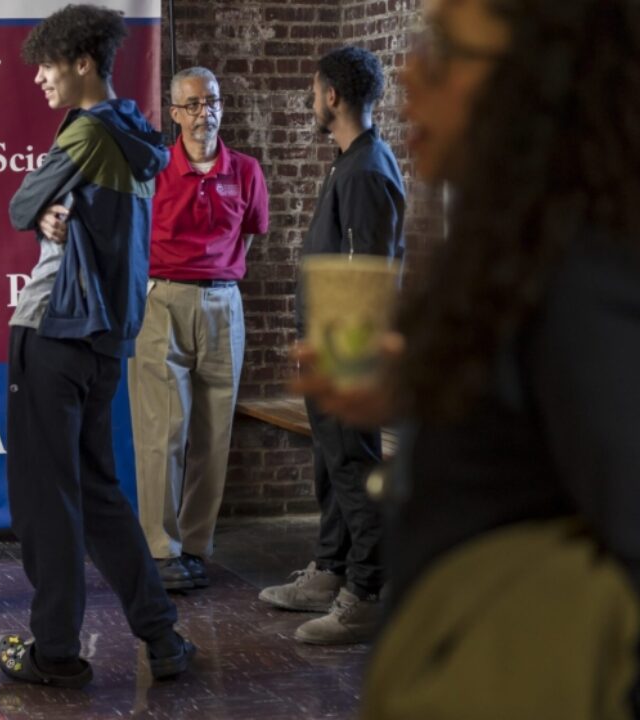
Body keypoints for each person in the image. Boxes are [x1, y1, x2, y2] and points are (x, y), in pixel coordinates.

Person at [295, 0, 640, 716]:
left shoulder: (580, 278)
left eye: (448, 53)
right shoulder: (518, 246)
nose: (414, 74)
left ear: (540, 84)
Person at [0, 3, 194, 689]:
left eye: (49, 65)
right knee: (98, 490)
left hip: (52, 331)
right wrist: (59, 216)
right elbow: (68, 218)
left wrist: (43, 213)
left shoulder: (85, 134)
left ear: (82, 62)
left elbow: (21, 206)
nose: (40, 80)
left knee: (47, 502)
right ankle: (161, 635)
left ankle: (54, 650)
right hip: (107, 338)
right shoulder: (137, 133)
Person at [257, 46, 405, 646]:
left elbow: (369, 271)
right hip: (331, 343)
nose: (312, 100)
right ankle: (331, 569)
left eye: (315, 90)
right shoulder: (351, 160)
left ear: (333, 97)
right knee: (332, 463)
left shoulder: (368, 169)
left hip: (349, 347)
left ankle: (365, 595)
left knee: (352, 465)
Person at [129, 66, 269, 591]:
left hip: (223, 303)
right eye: (190, 104)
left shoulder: (247, 170)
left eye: (209, 101)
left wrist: (219, 280)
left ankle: (194, 545)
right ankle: (160, 550)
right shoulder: (157, 168)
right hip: (162, 301)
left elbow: (250, 235)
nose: (201, 112)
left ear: (221, 107)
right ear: (174, 113)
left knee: (213, 433)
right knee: (162, 433)